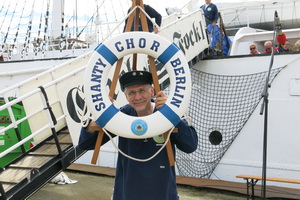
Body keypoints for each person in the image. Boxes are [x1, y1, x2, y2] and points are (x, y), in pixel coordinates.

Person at [78, 71, 198, 200]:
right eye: (132, 93)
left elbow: (190, 145)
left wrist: (173, 115)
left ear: (152, 91)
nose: (137, 97)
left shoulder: (166, 114)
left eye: (142, 91)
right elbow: (85, 144)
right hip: (128, 193)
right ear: (126, 96)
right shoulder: (122, 116)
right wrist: (97, 118)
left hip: (162, 193)